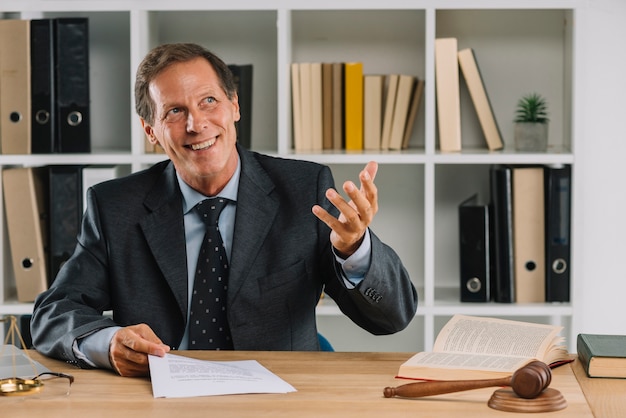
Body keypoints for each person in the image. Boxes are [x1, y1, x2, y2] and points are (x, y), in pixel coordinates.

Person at [31, 43, 418, 377]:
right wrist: (108, 340)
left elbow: (393, 318)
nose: (197, 124)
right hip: (158, 396)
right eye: (174, 112)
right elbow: (53, 314)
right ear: (151, 130)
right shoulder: (114, 206)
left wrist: (354, 248)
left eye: (209, 101)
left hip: (279, 398)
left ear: (234, 106)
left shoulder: (306, 191)